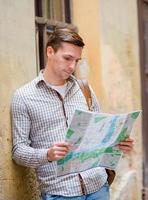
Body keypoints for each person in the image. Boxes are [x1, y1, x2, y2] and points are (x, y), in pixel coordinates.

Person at [11, 27, 134, 200]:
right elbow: (18, 150)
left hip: (98, 187)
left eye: (76, 60)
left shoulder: (85, 90)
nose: (72, 66)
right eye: (67, 58)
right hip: (61, 193)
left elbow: (100, 137)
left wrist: (118, 143)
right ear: (50, 51)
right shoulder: (23, 97)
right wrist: (47, 154)